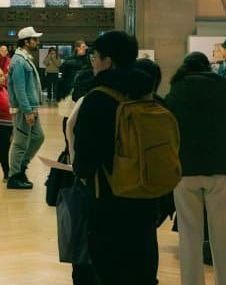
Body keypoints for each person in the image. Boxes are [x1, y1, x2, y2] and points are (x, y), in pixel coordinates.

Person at [73, 30, 163, 285]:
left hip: (109, 202)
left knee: (111, 272)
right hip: (146, 200)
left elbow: (85, 161)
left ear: (108, 61)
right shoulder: (150, 97)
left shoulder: (98, 99)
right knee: (142, 271)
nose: (93, 62)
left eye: (96, 57)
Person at [164, 51, 226, 285]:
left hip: (184, 172)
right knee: (223, 236)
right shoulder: (223, 93)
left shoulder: (174, 94)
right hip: (221, 171)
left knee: (189, 237)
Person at [7, 26, 45, 189]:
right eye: (34, 39)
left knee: (38, 137)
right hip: (24, 109)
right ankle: (14, 176)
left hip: (31, 107)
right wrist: (28, 110)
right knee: (21, 143)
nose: (37, 42)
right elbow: (19, 89)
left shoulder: (24, 58)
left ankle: (21, 168)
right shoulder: (18, 61)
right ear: (26, 41)